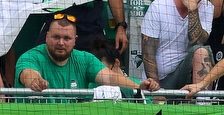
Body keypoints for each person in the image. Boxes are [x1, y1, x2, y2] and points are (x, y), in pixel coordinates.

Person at [16, 15, 159, 95]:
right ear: (46, 37)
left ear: (75, 41)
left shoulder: (84, 59)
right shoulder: (30, 57)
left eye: (67, 39)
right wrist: (35, 81)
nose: (61, 43)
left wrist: (139, 86)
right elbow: (28, 74)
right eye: (56, 37)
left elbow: (110, 77)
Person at [141, 0, 214, 90]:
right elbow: (148, 54)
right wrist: (156, 90)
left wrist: (193, 9)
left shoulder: (206, 6)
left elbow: (198, 42)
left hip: (186, 76)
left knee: (201, 52)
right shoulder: (159, 5)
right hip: (159, 80)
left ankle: (203, 102)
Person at [33, 0, 130, 54]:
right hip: (57, 25)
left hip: (91, 28)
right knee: (38, 60)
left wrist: (121, 26)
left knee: (101, 72)